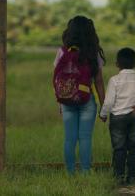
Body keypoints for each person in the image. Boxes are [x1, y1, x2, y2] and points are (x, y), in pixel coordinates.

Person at [53, 16, 106, 173]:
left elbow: (57, 79)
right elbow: (99, 82)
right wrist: (104, 106)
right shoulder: (92, 52)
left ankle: (70, 172)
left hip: (67, 100)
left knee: (69, 138)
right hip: (86, 100)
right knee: (85, 138)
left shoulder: (62, 51)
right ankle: (85, 171)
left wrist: (60, 102)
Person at [99, 47, 135, 185]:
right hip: (134, 117)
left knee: (119, 148)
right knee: (134, 148)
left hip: (117, 118)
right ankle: (132, 177)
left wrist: (103, 114)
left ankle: (119, 176)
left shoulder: (114, 80)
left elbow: (108, 102)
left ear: (117, 64)